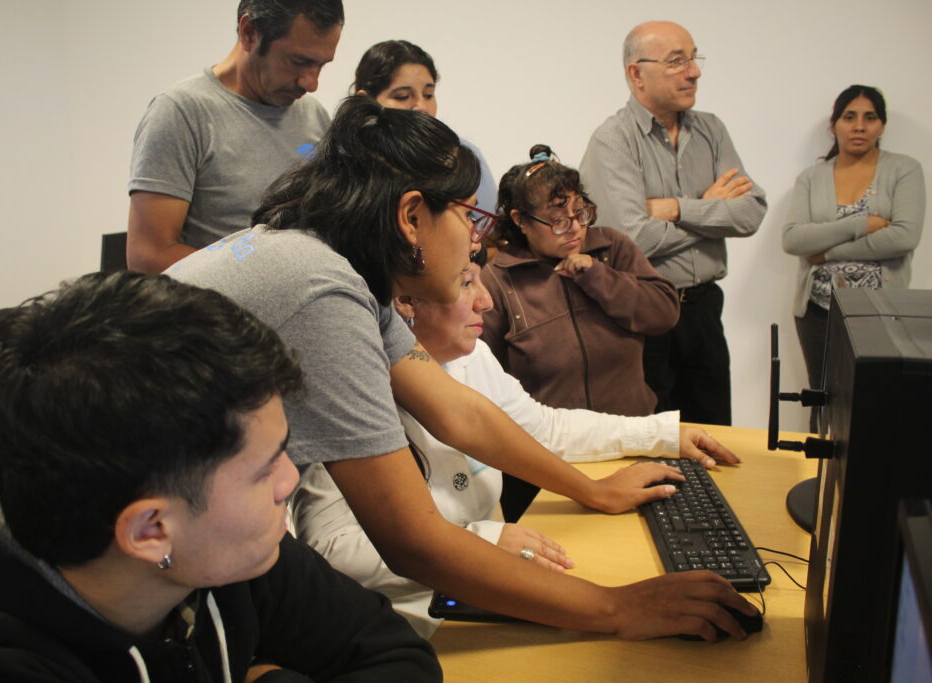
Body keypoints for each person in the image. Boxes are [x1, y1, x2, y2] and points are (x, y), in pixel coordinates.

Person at [167, 95, 758, 641]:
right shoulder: (318, 288)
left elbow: (461, 413)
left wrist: (593, 491)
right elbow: (409, 540)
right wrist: (617, 609)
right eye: (469, 218)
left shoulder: (329, 263)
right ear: (410, 217)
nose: (477, 243)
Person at [0, 272, 441, 681]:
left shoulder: (224, 551)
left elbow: (393, 653)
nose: (288, 480)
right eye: (264, 469)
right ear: (149, 531)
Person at [295, 251, 739, 637]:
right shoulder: (347, 392)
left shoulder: (469, 358)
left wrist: (659, 434)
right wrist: (480, 540)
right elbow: (330, 547)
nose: (486, 300)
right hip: (418, 633)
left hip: (490, 602)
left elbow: (541, 429)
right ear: (405, 302)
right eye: (465, 282)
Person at [580, 21, 767, 426]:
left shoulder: (711, 130)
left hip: (704, 310)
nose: (694, 71)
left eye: (694, 58)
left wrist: (677, 208)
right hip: (644, 318)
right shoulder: (613, 140)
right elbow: (634, 238)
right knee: (654, 440)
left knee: (716, 436)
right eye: (676, 61)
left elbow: (752, 212)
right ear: (636, 74)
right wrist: (713, 210)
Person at [483, 145, 681, 520]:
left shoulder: (612, 248)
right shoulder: (498, 281)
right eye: (557, 220)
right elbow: (483, 381)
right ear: (521, 221)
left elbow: (663, 313)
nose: (574, 228)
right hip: (549, 463)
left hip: (632, 440)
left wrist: (597, 276)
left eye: (581, 213)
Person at [127, 0, 343, 274]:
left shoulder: (314, 116)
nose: (311, 83)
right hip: (225, 312)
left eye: (322, 65)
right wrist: (268, 283)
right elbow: (149, 256)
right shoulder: (182, 112)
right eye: (299, 61)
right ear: (249, 32)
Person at [782, 85, 925, 432]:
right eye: (849, 117)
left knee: (875, 403)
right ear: (834, 125)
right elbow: (794, 238)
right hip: (818, 312)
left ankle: (867, 484)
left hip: (881, 312)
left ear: (882, 126)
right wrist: (864, 224)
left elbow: (904, 236)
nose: (859, 126)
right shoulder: (812, 178)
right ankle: (816, 480)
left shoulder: (904, 170)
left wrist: (828, 251)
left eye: (870, 117)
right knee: (822, 401)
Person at [352, 39, 497, 213]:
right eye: (403, 96)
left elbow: (486, 226)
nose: (421, 106)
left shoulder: (463, 155)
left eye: (428, 95)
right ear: (364, 101)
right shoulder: (345, 160)